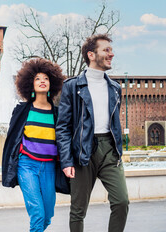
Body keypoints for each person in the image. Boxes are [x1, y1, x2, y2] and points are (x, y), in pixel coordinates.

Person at [56, 34, 129, 232]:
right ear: (91, 54)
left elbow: (114, 123)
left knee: (122, 202)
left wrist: (118, 151)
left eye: (111, 50)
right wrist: (66, 160)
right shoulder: (72, 86)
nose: (111, 54)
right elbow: (62, 127)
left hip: (109, 150)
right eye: (106, 50)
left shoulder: (114, 88)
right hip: (82, 151)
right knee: (78, 210)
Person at [2, 58, 65, 231]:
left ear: (52, 83)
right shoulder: (22, 111)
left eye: (46, 78)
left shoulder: (57, 113)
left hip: (49, 167)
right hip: (27, 165)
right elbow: (12, 140)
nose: (42, 81)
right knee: (37, 213)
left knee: (47, 216)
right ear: (30, 83)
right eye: (37, 78)